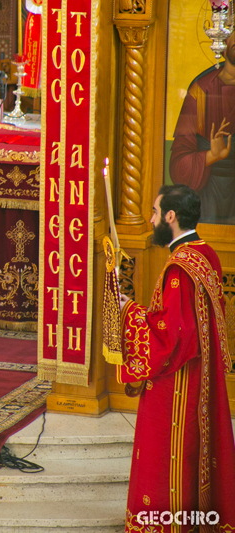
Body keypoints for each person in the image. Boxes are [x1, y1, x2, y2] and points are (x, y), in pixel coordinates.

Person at [115, 185, 235, 530]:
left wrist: (130, 311)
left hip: (178, 384)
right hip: (204, 376)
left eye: (154, 212)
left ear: (171, 216)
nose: (151, 220)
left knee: (169, 459)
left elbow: (174, 337)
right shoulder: (205, 252)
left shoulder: (179, 267)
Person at [169, 31, 235, 224]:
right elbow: (178, 166)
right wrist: (211, 156)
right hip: (208, 198)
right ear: (223, 41)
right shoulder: (201, 91)